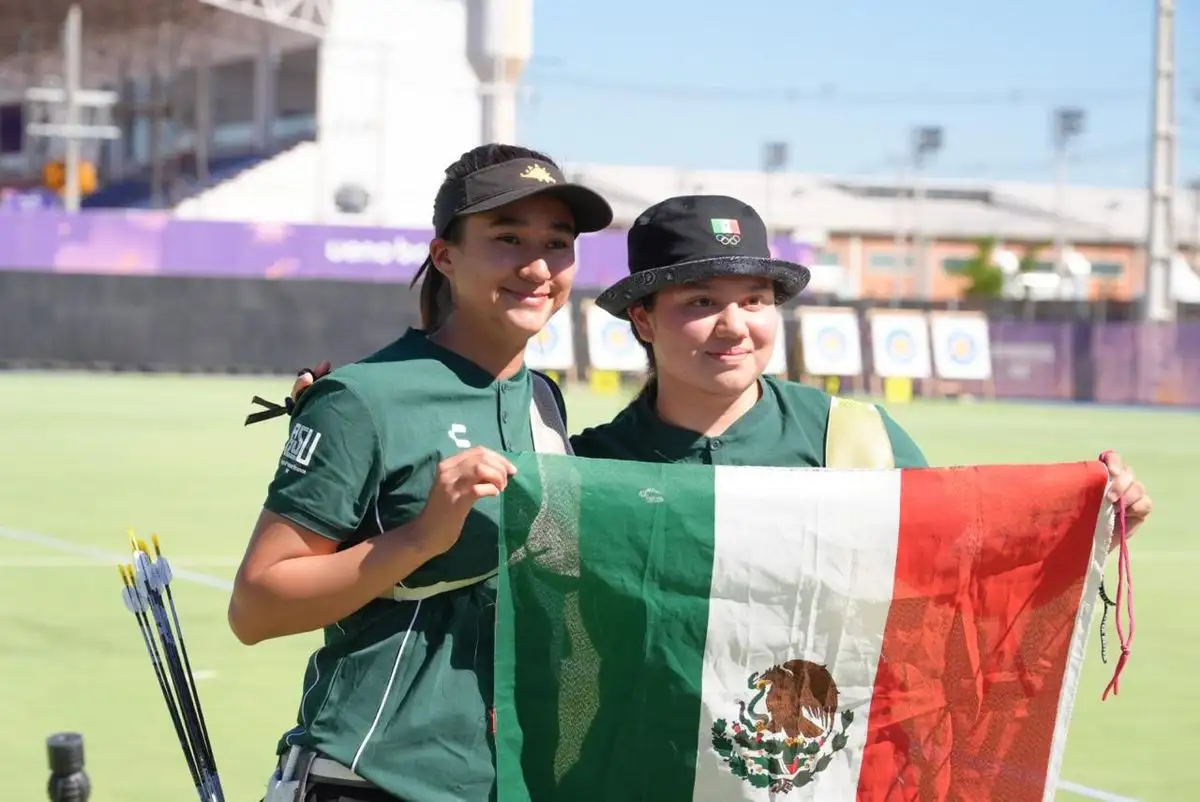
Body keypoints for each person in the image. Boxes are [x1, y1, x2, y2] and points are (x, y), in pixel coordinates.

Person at [287, 193, 1153, 529]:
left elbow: (964, 545)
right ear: (643, 324)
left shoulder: (854, 436)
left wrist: (1087, 513)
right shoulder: (590, 466)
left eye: (754, 301)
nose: (734, 326)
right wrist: (353, 420)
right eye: (700, 303)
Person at [230, 143, 613, 802]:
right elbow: (256, 606)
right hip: (375, 776)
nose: (538, 265)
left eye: (558, 242)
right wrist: (419, 540)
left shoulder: (543, 399)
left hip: (509, 776)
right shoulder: (362, 399)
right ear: (445, 256)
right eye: (507, 238)